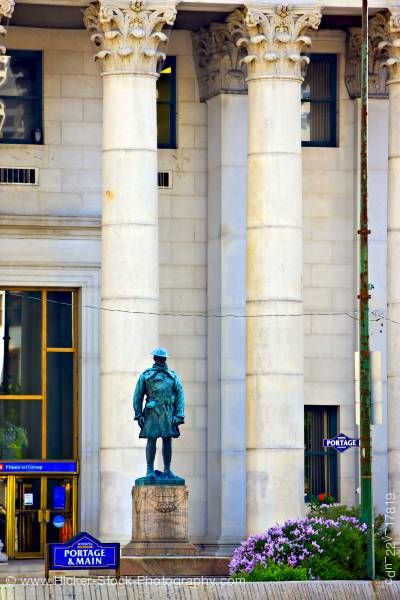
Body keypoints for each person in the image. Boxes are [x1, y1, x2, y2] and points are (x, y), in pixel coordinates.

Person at [133, 348, 184, 479]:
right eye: (159, 358)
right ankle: (149, 469)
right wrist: (138, 414)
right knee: (152, 439)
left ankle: (167, 469)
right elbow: (137, 395)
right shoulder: (146, 375)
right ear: (155, 359)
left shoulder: (172, 376)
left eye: (163, 358)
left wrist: (179, 414)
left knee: (167, 440)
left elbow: (180, 395)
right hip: (152, 412)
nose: (161, 360)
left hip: (168, 411)